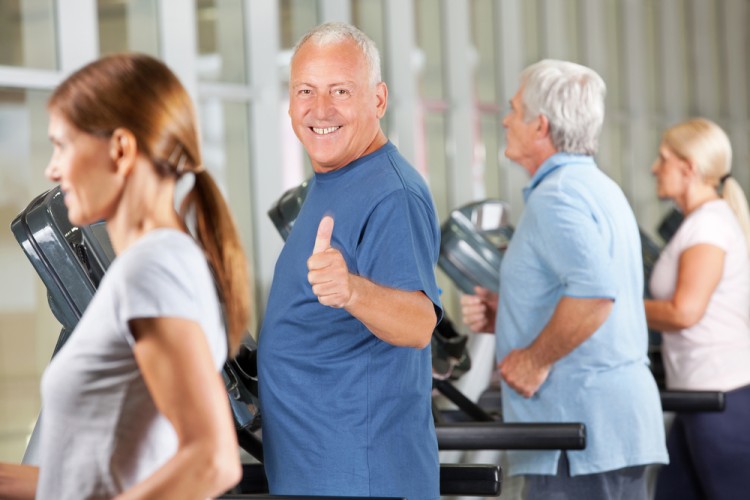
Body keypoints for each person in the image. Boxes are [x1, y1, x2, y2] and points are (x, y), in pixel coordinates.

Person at [0, 53, 250, 499]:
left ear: (119, 149)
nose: (52, 169)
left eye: (63, 146)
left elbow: (211, 461)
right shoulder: (160, 262)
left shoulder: (154, 270)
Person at [460, 59, 668, 499]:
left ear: (540, 126)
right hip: (605, 430)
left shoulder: (557, 198)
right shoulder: (595, 188)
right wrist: (511, 312)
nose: (505, 120)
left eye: (514, 110)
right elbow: (589, 291)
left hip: (581, 434)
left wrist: (533, 359)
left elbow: (595, 296)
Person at [257, 22, 442, 499]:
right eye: (305, 91)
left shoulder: (392, 195)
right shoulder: (334, 179)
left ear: (378, 100)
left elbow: (420, 324)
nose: (320, 110)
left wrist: (352, 290)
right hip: (318, 472)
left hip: (362, 477)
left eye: (341, 91)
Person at [645, 118, 750, 499]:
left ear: (688, 168)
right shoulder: (700, 223)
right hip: (696, 395)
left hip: (720, 398)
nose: (655, 168)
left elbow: (684, 312)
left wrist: (618, 310)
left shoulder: (708, 226)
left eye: (663, 159)